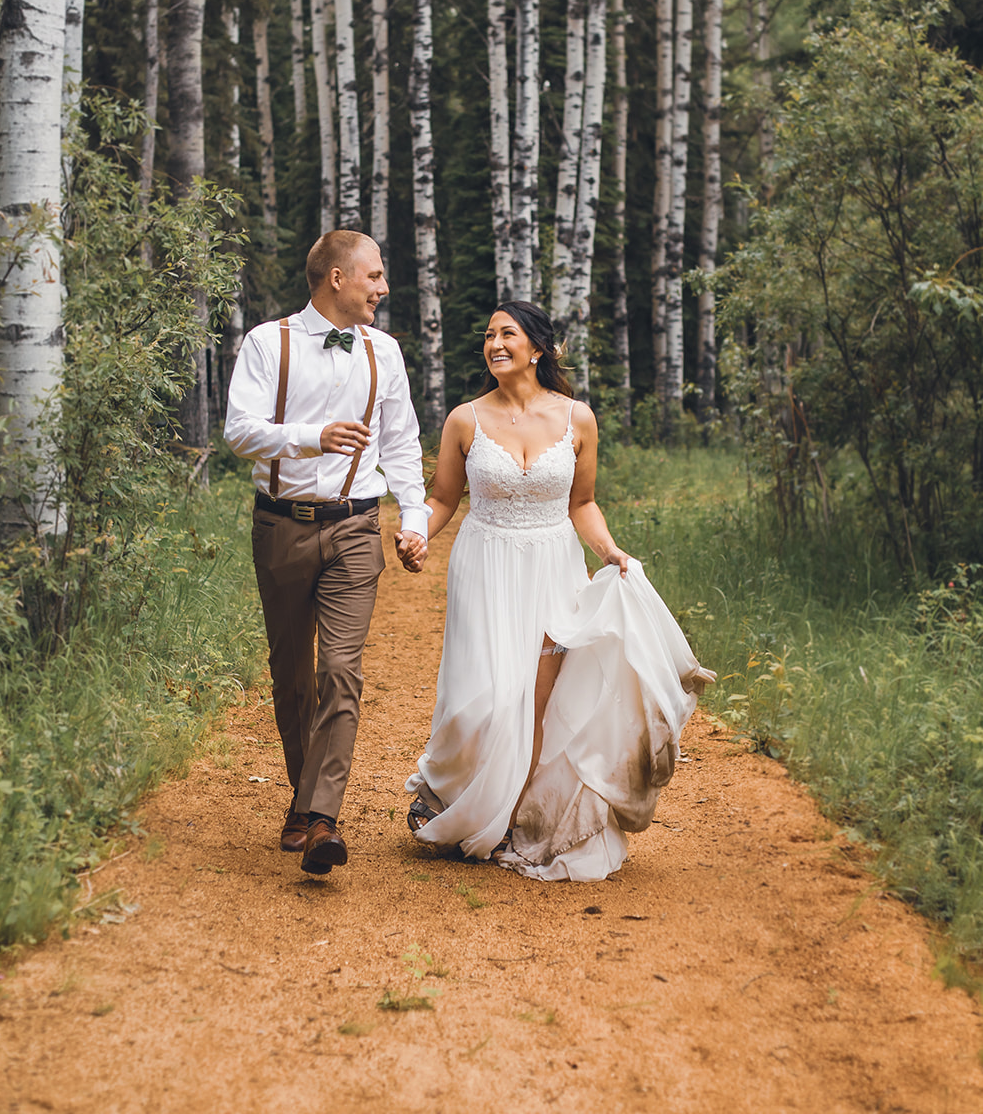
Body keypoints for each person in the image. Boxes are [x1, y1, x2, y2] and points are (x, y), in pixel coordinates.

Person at [405, 300, 714, 882]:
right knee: (488, 698)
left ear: (538, 348)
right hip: (484, 564)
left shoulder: (577, 419)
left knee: (540, 703)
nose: (495, 344)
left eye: (508, 334)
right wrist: (416, 532)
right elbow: (444, 497)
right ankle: (458, 797)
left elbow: (582, 503)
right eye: (489, 335)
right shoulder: (464, 419)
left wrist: (611, 553)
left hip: (552, 566)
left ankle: (515, 821)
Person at [225, 231, 428, 876]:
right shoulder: (267, 342)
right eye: (373, 275)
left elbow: (400, 442)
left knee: (340, 670)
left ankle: (321, 820)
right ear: (336, 278)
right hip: (280, 526)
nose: (383, 287)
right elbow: (239, 431)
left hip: (354, 527)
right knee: (291, 673)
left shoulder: (385, 351)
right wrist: (313, 437)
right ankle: (302, 795)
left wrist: (414, 518)